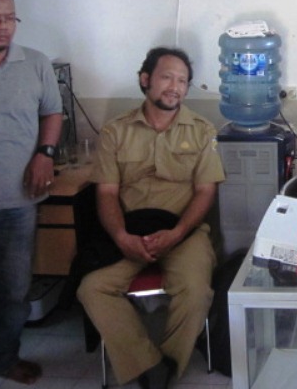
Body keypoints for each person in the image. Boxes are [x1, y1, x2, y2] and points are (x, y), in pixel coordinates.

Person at [77, 47, 225, 389]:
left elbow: (205, 192)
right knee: (92, 288)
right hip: (131, 231)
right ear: (145, 80)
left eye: (182, 81)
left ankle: (168, 364)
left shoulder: (202, 131)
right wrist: (121, 237)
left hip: (183, 230)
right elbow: (106, 194)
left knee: (196, 290)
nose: (175, 87)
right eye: (166, 77)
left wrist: (178, 232)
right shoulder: (115, 132)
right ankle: (149, 363)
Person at [0, 0, 63, 388]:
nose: (3, 27)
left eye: (10, 18)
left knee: (13, 292)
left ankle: (4, 359)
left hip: (17, 203)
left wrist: (45, 153)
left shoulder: (35, 63)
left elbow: (52, 112)